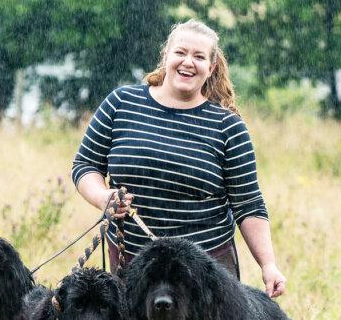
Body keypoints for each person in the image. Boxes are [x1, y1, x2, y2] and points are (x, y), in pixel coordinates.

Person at [72, 19, 287, 297]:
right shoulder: (121, 103)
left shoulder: (228, 127)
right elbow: (86, 164)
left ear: (211, 68)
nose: (188, 62)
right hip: (135, 264)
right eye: (180, 53)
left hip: (204, 272)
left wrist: (268, 265)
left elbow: (248, 203)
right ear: (166, 57)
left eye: (199, 57)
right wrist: (103, 197)